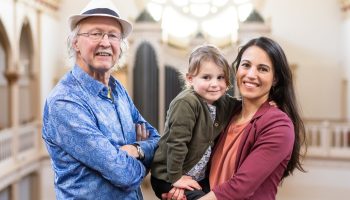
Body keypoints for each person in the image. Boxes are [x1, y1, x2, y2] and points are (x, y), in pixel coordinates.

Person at [41, 0, 160, 199]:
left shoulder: (117, 88)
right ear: (75, 42)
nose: (105, 42)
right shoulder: (64, 102)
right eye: (95, 33)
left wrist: (136, 149)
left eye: (113, 35)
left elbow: (157, 140)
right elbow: (125, 175)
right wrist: (146, 160)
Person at [198, 37, 306, 200]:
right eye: (246, 65)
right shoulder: (227, 114)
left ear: (275, 78)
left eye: (262, 69)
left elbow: (239, 188)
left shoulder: (279, 125)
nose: (251, 74)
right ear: (237, 69)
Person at [151, 44, 238, 200]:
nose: (215, 84)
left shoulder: (223, 101)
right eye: (206, 77)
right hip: (168, 175)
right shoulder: (187, 103)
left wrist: (263, 105)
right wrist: (176, 179)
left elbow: (241, 106)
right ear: (190, 79)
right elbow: (177, 142)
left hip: (197, 175)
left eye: (220, 77)